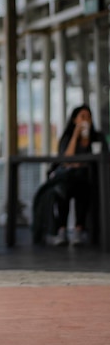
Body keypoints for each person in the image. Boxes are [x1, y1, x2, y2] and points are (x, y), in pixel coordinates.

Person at [53, 104, 108, 246]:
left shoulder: (97, 137)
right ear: (74, 120)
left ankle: (79, 229)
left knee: (82, 187)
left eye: (88, 117)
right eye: (82, 117)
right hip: (68, 178)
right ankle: (62, 230)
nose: (86, 120)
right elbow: (66, 159)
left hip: (89, 178)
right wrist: (76, 135)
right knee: (63, 188)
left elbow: (102, 158)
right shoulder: (66, 138)